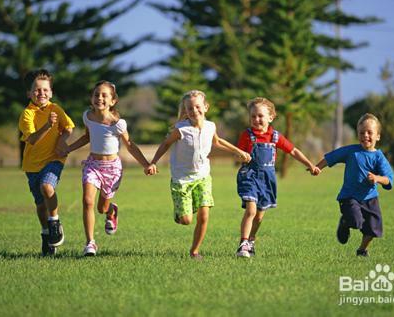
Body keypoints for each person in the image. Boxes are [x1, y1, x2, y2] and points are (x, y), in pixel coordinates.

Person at [147, 90, 251, 260]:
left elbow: (217, 142)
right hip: (181, 179)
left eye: (197, 106)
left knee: (204, 215)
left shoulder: (211, 126)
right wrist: (153, 162)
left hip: (203, 176)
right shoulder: (181, 129)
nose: (194, 110)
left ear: (206, 107)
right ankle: (180, 214)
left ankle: (194, 251)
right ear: (185, 111)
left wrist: (238, 151)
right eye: (190, 108)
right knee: (186, 220)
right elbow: (166, 144)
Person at [67, 80, 152, 257]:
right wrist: (68, 149)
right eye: (96, 94)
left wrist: (146, 164)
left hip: (112, 169)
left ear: (113, 101)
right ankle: (90, 243)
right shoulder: (87, 117)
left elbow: (130, 146)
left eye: (104, 95)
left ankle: (112, 210)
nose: (100, 98)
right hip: (93, 165)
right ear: (91, 98)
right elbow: (86, 137)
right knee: (87, 201)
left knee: (101, 209)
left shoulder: (118, 123)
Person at [235, 97, 320, 258]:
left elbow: (293, 151)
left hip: (267, 180)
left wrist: (309, 164)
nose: (256, 119)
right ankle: (243, 244)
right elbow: (238, 153)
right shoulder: (246, 135)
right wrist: (242, 156)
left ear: (270, 117)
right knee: (251, 210)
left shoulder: (275, 136)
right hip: (250, 177)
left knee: (259, 215)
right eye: (253, 116)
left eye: (260, 116)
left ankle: (251, 240)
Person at [315, 113, 394, 257]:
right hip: (349, 196)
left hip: (370, 198)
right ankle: (345, 222)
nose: (365, 136)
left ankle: (362, 250)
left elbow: (389, 179)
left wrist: (377, 178)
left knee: (373, 230)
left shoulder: (379, 157)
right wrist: (318, 167)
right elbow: (332, 157)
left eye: (370, 132)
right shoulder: (352, 151)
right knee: (356, 221)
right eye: (361, 132)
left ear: (378, 136)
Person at [19, 69, 75, 256]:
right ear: (29, 93)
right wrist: (48, 126)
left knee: (47, 187)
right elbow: (33, 139)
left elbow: (68, 127)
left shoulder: (55, 109)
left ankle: (55, 222)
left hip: (54, 159)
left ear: (51, 92)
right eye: (37, 90)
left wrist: (61, 140)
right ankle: (46, 234)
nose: (41, 93)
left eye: (45, 90)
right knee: (40, 205)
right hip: (32, 165)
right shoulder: (27, 114)